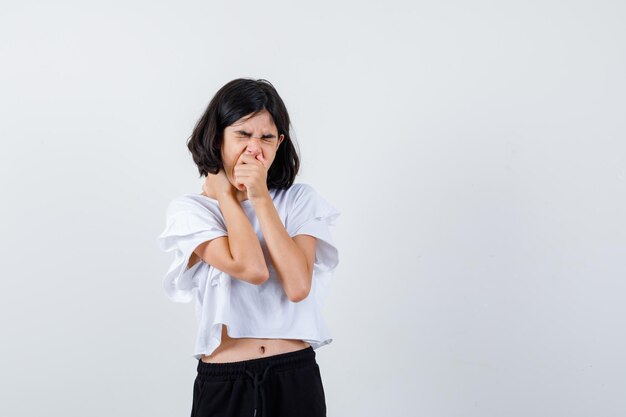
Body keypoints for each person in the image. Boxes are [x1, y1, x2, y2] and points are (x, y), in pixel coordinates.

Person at [156, 78, 341, 417]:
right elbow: (251, 269)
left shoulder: (300, 200)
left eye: (267, 137)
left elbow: (299, 286)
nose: (255, 148)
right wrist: (226, 196)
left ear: (279, 142)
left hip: (293, 375)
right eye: (243, 134)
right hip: (225, 380)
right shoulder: (191, 211)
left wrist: (260, 196)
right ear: (218, 137)